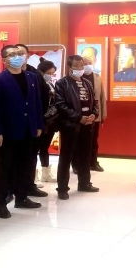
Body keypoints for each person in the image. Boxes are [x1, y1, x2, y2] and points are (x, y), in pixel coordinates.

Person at [0, 45, 44, 219]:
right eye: (12, 54)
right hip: (7, 132)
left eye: (20, 54)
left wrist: (38, 125)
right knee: (4, 168)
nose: (17, 57)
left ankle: (21, 197)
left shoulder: (32, 77)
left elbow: (37, 103)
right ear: (4, 60)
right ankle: (0, 203)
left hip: (28, 129)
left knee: (24, 166)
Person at [55, 55, 99, 200]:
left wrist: (94, 114)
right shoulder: (62, 83)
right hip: (71, 125)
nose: (80, 68)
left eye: (82, 66)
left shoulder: (87, 83)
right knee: (66, 157)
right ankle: (62, 188)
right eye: (77, 66)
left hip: (88, 125)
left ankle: (84, 183)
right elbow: (61, 105)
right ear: (70, 67)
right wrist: (78, 117)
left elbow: (94, 101)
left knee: (85, 155)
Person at [16, 44, 49, 196]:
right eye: (15, 53)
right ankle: (11, 189)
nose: (19, 56)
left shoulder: (34, 74)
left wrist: (40, 120)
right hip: (14, 124)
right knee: (13, 159)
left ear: (28, 55)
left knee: (31, 156)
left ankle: (29, 185)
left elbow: (43, 96)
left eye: (22, 53)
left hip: (33, 122)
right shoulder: (4, 76)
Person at [82, 56, 107, 172]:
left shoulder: (97, 77)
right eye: (85, 63)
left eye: (89, 63)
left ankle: (93, 162)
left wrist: (103, 113)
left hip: (95, 114)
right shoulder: (78, 78)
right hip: (82, 115)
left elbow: (102, 96)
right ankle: (78, 163)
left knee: (94, 140)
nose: (87, 65)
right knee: (81, 141)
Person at [36, 57, 58, 183]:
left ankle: (45, 172)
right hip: (41, 120)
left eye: (52, 73)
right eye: (48, 73)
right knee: (35, 148)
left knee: (45, 147)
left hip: (51, 121)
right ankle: (32, 175)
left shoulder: (50, 84)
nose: (50, 76)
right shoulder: (37, 84)